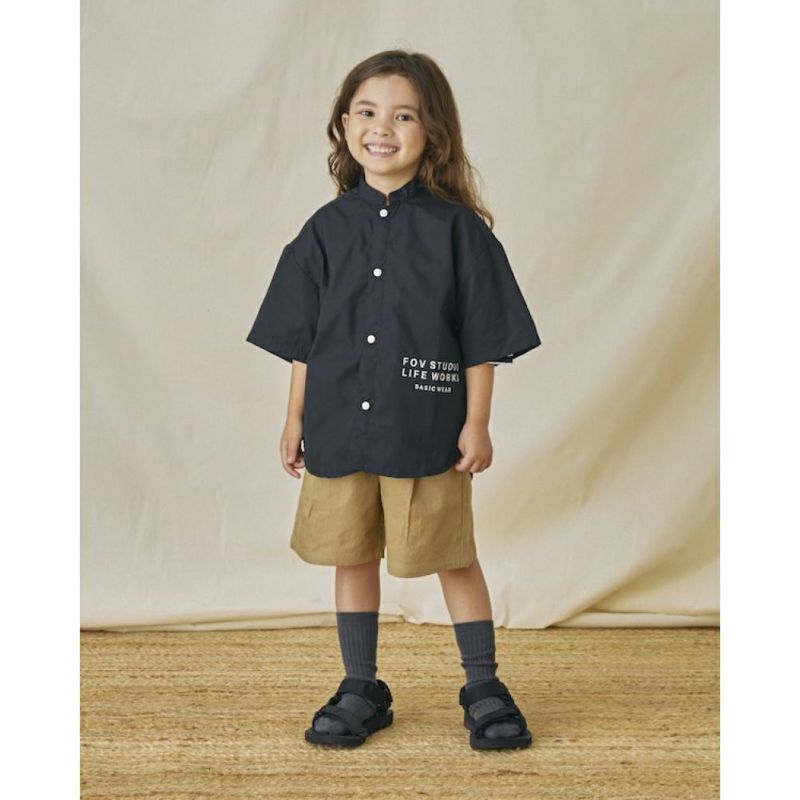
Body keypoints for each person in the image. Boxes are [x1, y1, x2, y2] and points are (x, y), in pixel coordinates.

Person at [246, 49, 542, 750]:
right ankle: (361, 686)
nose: (383, 128)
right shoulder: (324, 231)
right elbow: (305, 339)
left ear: (432, 133)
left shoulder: (459, 232)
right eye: (368, 112)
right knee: (351, 555)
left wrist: (476, 423)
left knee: (452, 554)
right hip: (338, 427)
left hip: (425, 427)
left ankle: (483, 685)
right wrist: (293, 418)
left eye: (404, 116)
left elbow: (481, 338)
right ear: (344, 124)